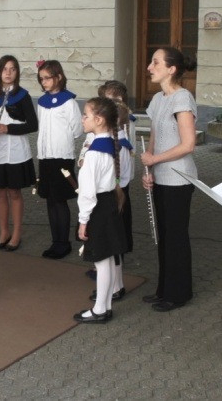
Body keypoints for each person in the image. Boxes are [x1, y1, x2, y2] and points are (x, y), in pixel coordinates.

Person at [140, 46, 198, 312]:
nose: (149, 67)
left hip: (179, 179)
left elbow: (188, 144)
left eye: (155, 63)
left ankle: (179, 293)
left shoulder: (182, 98)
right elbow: (153, 138)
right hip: (161, 176)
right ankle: (164, 289)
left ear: (171, 69)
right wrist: (149, 169)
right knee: (163, 236)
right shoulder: (157, 99)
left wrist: (155, 160)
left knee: (175, 237)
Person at [74, 97, 127, 323]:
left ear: (99, 120)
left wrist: (83, 220)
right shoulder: (111, 143)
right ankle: (104, 306)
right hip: (108, 203)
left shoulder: (94, 152)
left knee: (101, 260)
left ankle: (100, 310)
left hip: (97, 207)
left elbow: (87, 192)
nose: (82, 119)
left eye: (85, 115)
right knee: (108, 259)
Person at [84, 80, 135, 299]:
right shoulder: (102, 137)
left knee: (113, 246)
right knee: (111, 245)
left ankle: (115, 286)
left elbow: (125, 171)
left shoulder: (120, 137)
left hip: (115, 194)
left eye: (116, 100)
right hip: (110, 192)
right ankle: (113, 284)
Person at [0, 55, 37, 251]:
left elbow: (33, 125)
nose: (8, 73)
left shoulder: (23, 96)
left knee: (14, 191)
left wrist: (9, 128)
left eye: (12, 69)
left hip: (16, 151)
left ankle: (16, 233)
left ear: (17, 73)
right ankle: (4, 231)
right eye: (5, 69)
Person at [35, 60, 83, 259]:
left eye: (47, 78)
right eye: (41, 79)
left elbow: (77, 130)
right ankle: (55, 241)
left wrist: (61, 140)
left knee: (60, 199)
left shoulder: (69, 102)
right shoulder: (41, 102)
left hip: (62, 157)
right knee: (50, 199)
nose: (44, 82)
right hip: (45, 156)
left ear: (59, 77)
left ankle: (64, 243)